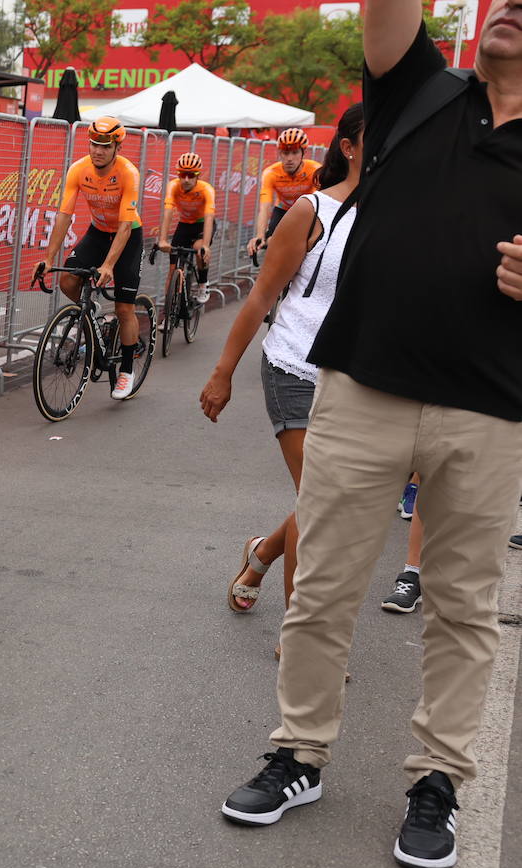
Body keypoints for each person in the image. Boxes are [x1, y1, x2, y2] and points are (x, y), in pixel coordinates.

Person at [220, 0, 522, 868]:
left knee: (463, 609)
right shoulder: (422, 91)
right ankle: (299, 755)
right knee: (322, 588)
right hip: (361, 390)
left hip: (491, 411)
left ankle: (437, 783)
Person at [200, 104, 363, 620]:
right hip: (294, 364)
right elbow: (260, 296)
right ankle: (302, 636)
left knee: (336, 502)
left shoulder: (399, 217)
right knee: (319, 503)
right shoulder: (311, 210)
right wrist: (223, 372)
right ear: (349, 146)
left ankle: (263, 553)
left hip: (356, 381)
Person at [34, 115, 145, 401]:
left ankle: (127, 371)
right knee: (68, 281)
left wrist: (109, 264)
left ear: (117, 147)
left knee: (124, 308)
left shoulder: (128, 173)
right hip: (97, 232)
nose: (98, 150)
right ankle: (91, 313)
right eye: (94, 144)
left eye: (105, 146)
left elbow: (124, 226)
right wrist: (48, 257)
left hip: (127, 236)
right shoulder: (78, 170)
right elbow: (64, 215)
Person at [245, 128, 321, 258]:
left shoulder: (315, 170)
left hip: (307, 210)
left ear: (304, 152)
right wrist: (260, 236)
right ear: (280, 153)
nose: (289, 158)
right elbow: (264, 207)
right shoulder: (271, 173)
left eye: (295, 152)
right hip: (283, 209)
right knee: (271, 241)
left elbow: (318, 204)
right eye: (285, 153)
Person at [157, 151, 215, 306]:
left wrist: (206, 246)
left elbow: (209, 217)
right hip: (184, 225)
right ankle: (168, 313)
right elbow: (168, 212)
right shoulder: (173, 186)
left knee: (199, 250)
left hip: (202, 225)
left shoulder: (206, 189)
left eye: (191, 175)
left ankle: (203, 283)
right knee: (172, 270)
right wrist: (162, 240)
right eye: (182, 175)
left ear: (198, 175)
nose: (186, 179)